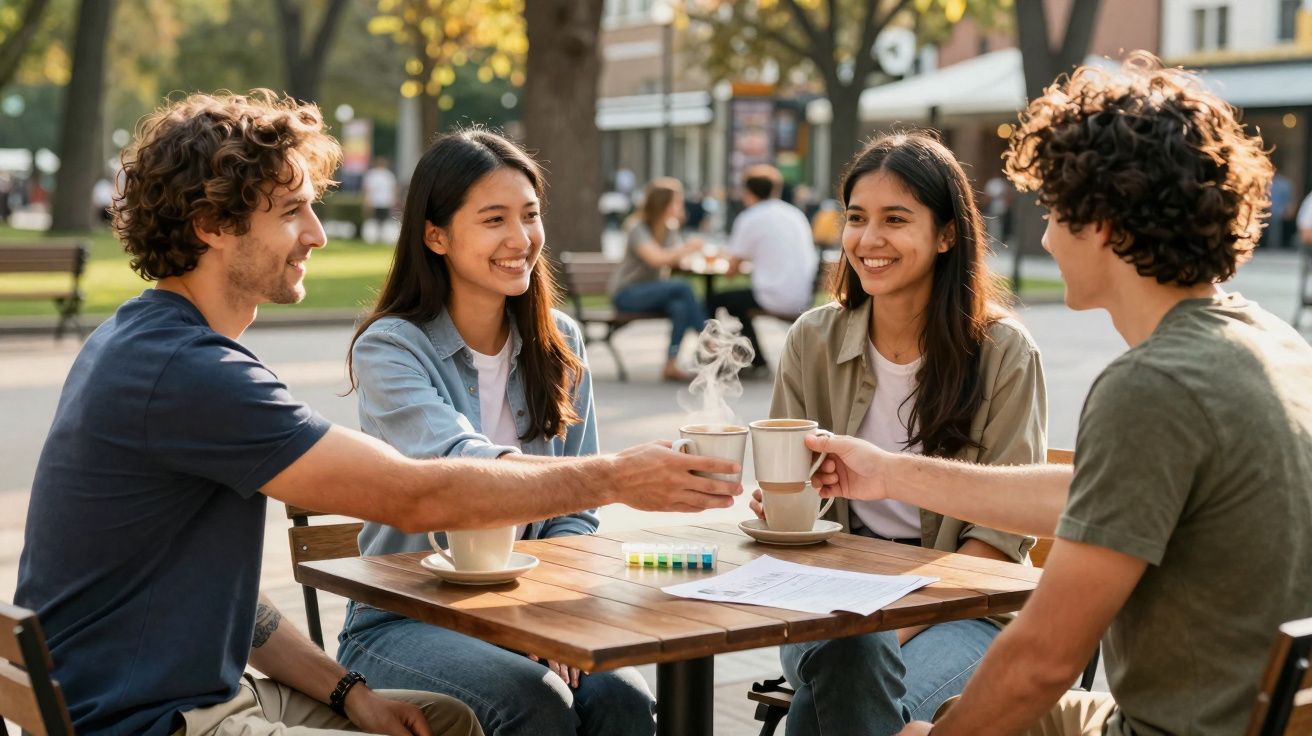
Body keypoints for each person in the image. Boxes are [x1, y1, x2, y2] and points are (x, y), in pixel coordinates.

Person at [13, 90, 741, 736]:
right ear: (212, 225)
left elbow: (228, 604)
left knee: (466, 718)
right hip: (153, 721)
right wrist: (616, 476)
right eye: (292, 212)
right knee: (525, 707)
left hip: (177, 696)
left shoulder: (150, 343)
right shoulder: (190, 371)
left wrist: (349, 693)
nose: (318, 234)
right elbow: (416, 494)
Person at [805, 56, 1312, 736]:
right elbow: (1084, 492)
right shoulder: (1270, 342)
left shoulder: (1153, 386)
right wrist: (888, 472)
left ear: (1100, 222)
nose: (1043, 236)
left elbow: (1043, 660)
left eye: (1051, 210)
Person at [339, 129, 655, 736]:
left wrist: (545, 616)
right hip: (404, 621)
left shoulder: (558, 340)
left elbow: (575, 515)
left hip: (526, 605)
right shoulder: (390, 348)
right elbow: (462, 470)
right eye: (493, 219)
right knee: (534, 701)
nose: (521, 239)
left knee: (623, 698)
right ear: (436, 236)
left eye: (530, 215)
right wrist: (621, 477)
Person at [748, 133, 1046, 736]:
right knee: (848, 652)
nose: (867, 240)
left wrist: (882, 624)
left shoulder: (1002, 352)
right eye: (856, 218)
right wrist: (784, 510)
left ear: (947, 234)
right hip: (828, 593)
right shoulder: (812, 340)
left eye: (895, 219)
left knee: (846, 668)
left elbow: (997, 540)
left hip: (962, 606)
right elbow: (795, 502)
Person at [708, 164, 818, 373]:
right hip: (803, 294)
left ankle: (717, 358)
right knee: (737, 303)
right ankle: (755, 358)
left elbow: (731, 271)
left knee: (717, 300)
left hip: (773, 295)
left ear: (747, 192)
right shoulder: (794, 214)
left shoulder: (750, 217)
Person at [608, 177, 707, 381]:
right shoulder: (638, 227)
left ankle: (671, 364)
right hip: (627, 294)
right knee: (683, 287)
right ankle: (708, 339)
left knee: (680, 306)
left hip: (654, 292)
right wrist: (688, 248)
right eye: (676, 201)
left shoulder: (670, 228)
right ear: (663, 203)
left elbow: (674, 259)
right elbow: (656, 259)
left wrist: (687, 254)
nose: (680, 205)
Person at [362, 157, 399, 243]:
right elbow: (367, 189)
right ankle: (374, 237)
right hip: (377, 202)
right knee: (375, 220)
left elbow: (393, 189)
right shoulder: (374, 174)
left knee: (382, 221)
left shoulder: (387, 175)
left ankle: (381, 237)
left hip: (384, 202)